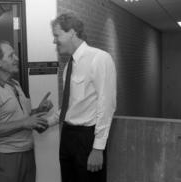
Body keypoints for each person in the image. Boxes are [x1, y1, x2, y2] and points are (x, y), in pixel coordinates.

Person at [47, 13, 117, 182]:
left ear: (71, 32)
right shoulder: (68, 66)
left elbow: (106, 105)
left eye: (57, 35)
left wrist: (98, 148)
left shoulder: (99, 58)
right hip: (68, 135)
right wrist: (48, 122)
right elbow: (70, 106)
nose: (54, 41)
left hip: (87, 138)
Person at [0, 40, 52, 182]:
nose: (17, 59)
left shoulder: (15, 84)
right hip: (7, 156)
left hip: (27, 151)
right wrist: (25, 122)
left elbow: (22, 118)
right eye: (11, 56)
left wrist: (38, 111)